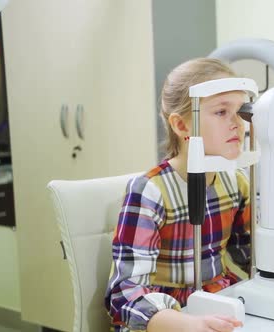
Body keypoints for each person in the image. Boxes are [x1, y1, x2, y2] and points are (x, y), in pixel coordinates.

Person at [104, 58, 250, 332]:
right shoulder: (149, 191)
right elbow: (125, 295)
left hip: (217, 302)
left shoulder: (236, 182)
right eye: (221, 112)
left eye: (241, 111)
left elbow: (253, 257)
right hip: (166, 317)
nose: (238, 124)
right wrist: (188, 325)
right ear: (182, 126)